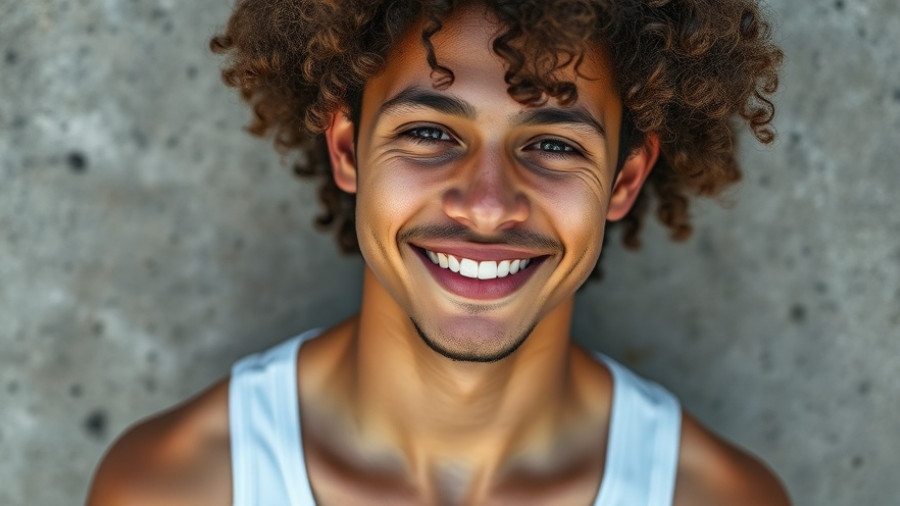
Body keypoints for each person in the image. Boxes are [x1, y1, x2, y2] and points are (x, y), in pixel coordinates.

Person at [88, 0, 789, 504]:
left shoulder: (717, 496)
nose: (486, 205)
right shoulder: (175, 488)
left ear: (624, 180)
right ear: (346, 149)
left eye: (552, 145)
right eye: (429, 134)